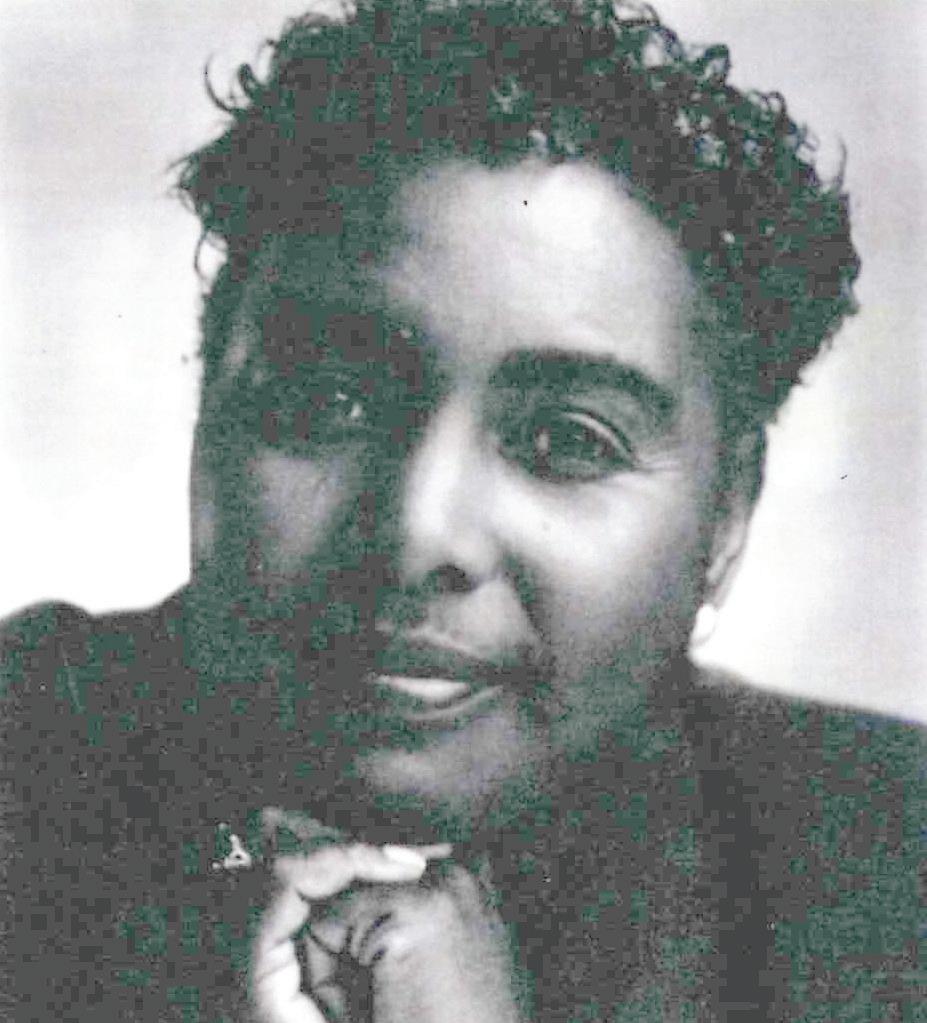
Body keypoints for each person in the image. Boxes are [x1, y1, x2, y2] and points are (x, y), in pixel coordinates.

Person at [1, 0, 923, 1020]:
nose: (418, 532)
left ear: (727, 519)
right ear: (210, 406)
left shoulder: (891, 877)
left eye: (569, 440)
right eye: (328, 400)